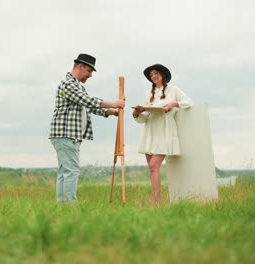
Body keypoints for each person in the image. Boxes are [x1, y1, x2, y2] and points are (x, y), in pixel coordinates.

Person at [49, 53, 125, 202]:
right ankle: (70, 206)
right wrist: (113, 103)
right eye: (89, 71)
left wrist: (110, 112)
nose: (90, 75)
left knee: (65, 171)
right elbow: (87, 100)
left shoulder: (77, 86)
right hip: (66, 135)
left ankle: (61, 206)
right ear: (80, 66)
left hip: (68, 135)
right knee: (71, 171)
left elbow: (88, 107)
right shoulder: (68, 84)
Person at [132, 64, 193, 204]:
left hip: (165, 130)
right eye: (151, 75)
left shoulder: (174, 90)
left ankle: (155, 200)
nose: (153, 76)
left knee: (154, 165)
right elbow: (144, 117)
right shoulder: (148, 93)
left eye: (156, 73)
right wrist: (137, 113)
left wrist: (174, 104)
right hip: (151, 130)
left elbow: (189, 101)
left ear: (163, 75)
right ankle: (157, 201)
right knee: (152, 168)